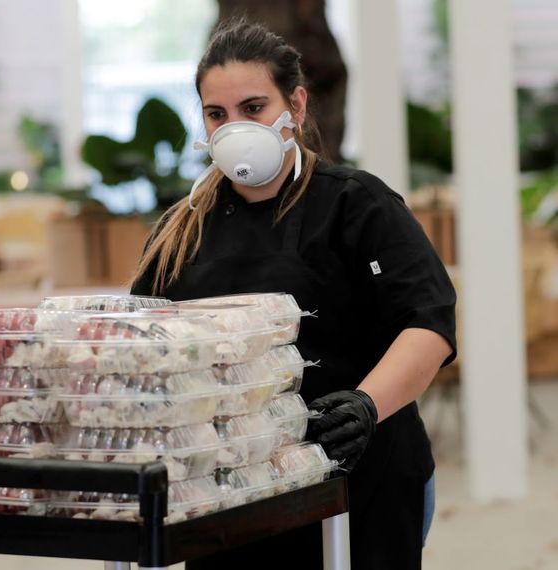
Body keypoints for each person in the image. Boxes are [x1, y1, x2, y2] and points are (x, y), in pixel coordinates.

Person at [129, 19, 456, 570]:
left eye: (253, 108)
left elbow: (427, 324)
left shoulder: (359, 205)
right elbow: (145, 343)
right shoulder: (179, 231)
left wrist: (366, 405)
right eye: (217, 114)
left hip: (362, 484)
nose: (234, 127)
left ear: (296, 107)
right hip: (228, 495)